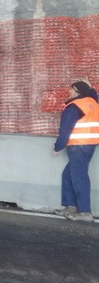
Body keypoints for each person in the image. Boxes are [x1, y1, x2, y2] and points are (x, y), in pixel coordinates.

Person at [53, 80, 98, 222]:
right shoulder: (92, 102)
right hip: (89, 145)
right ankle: (71, 206)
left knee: (79, 177)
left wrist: (58, 147)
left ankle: (85, 212)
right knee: (68, 175)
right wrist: (90, 88)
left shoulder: (73, 107)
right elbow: (93, 95)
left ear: (78, 92)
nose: (69, 92)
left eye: (72, 89)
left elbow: (65, 130)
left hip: (78, 146)